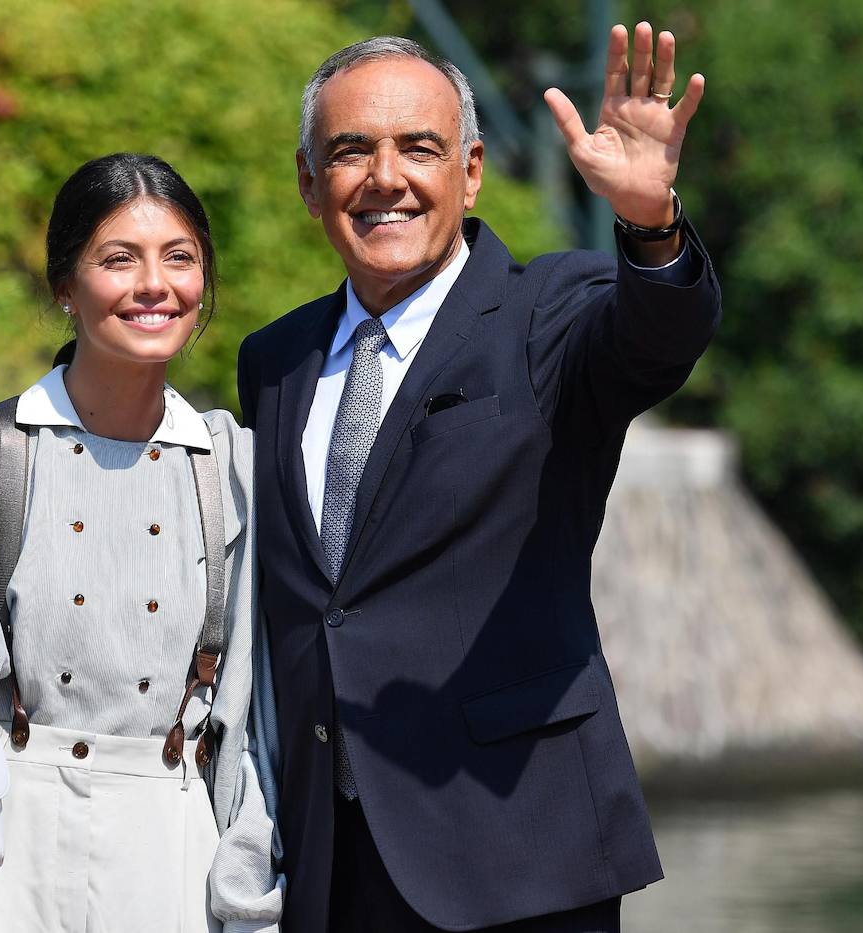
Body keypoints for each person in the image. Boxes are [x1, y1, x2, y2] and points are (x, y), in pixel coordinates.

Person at [236, 24, 720, 933]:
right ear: (310, 183)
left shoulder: (550, 313)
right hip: (325, 865)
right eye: (350, 151)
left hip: (516, 852)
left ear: (470, 171)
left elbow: (655, 338)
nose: (386, 177)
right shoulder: (275, 358)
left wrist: (651, 225)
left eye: (419, 147)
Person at [0, 153, 283, 932]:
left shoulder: (234, 465)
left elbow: (253, 718)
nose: (155, 284)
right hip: (6, 845)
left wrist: (251, 899)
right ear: (65, 287)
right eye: (119, 258)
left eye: (179, 258)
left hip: (174, 844)